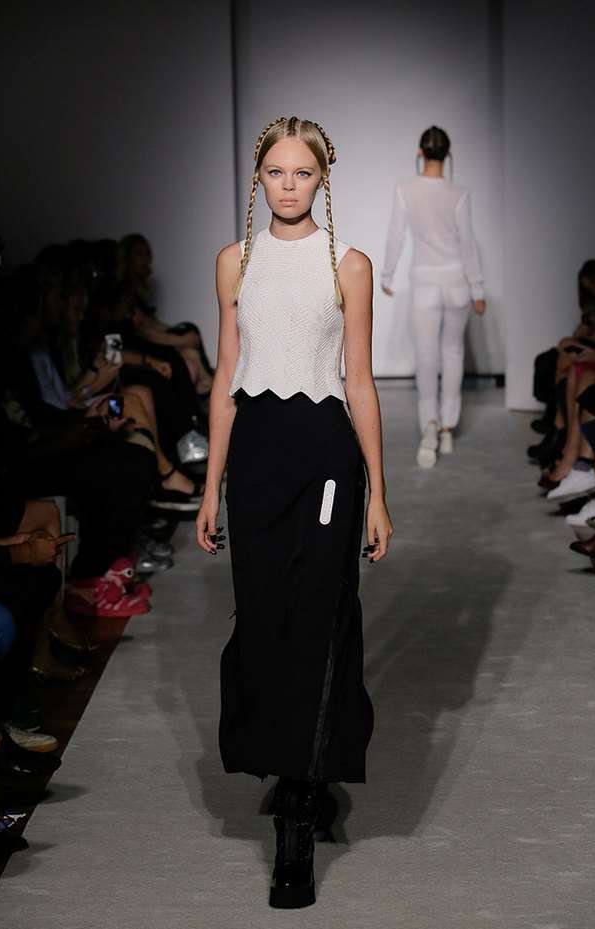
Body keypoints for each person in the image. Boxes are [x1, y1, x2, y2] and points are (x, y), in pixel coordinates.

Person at [196, 116, 393, 909]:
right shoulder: (233, 261)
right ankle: (287, 764)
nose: (287, 184)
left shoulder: (348, 265)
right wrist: (209, 484)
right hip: (256, 457)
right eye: (275, 171)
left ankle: (299, 814)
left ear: (321, 178)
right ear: (258, 178)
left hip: (324, 460)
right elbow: (225, 375)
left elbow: (359, 381)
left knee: (319, 615)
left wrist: (379, 492)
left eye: (301, 172)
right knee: (264, 619)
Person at [381, 126, 486, 467]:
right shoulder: (459, 194)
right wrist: (478, 289)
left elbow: (396, 235)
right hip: (457, 282)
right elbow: (468, 245)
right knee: (452, 353)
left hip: (425, 281)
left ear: (419, 152)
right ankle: (447, 427)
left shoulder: (405, 190)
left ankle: (429, 424)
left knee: (427, 356)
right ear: (448, 154)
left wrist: (387, 275)